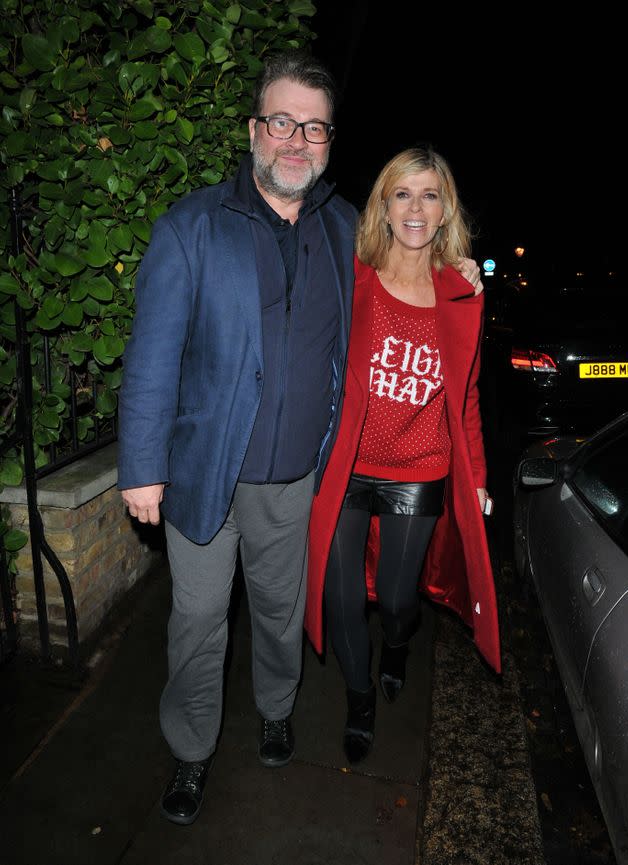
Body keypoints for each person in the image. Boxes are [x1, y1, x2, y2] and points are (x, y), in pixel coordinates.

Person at [118, 51, 483, 826]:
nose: (296, 140)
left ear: (327, 143)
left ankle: (277, 708)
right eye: (282, 122)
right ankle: (190, 752)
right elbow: (149, 356)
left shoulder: (347, 229)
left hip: (295, 478)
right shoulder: (193, 226)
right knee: (198, 619)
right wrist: (141, 467)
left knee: (283, 609)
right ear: (255, 129)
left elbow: (412, 268)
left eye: (313, 128)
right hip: (200, 473)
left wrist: (466, 275)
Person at [304, 147, 501, 765]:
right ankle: (359, 700)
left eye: (430, 195)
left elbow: (465, 395)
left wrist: (476, 477)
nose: (416, 208)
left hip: (420, 468)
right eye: (403, 194)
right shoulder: (351, 275)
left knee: (395, 600)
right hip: (348, 464)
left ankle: (396, 646)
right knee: (340, 601)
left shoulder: (462, 293)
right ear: (383, 206)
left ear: (445, 212)